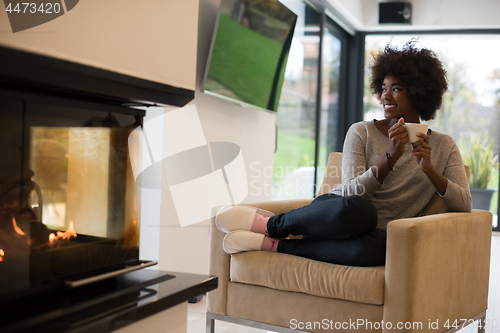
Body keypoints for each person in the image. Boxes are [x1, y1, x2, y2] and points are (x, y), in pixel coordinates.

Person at [215, 40, 472, 267]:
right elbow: (350, 193)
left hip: (376, 234)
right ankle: (270, 226)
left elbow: (464, 204)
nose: (385, 96)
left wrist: (429, 170)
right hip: (341, 213)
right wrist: (390, 157)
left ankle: (274, 245)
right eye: (383, 88)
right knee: (362, 212)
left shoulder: (444, 145)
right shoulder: (362, 132)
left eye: (396, 88)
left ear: (419, 92)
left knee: (377, 249)